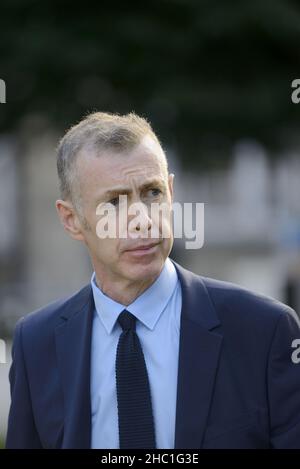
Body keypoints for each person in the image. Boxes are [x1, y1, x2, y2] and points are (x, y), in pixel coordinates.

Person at [6, 112, 300, 449]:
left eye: (152, 193)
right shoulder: (36, 342)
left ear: (171, 193)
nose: (143, 220)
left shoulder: (265, 330)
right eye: (114, 202)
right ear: (71, 219)